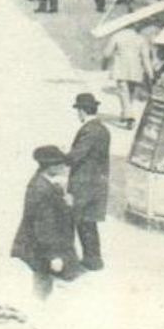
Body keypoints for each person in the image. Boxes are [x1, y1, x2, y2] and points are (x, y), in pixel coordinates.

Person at [11, 145, 80, 298]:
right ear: (50, 167)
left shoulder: (44, 184)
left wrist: (65, 202)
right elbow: (44, 226)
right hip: (42, 248)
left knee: (44, 281)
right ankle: (40, 311)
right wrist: (53, 255)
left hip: (41, 247)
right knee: (43, 282)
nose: (64, 167)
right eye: (60, 164)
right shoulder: (42, 189)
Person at [66, 93, 110, 271]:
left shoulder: (90, 130)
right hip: (95, 183)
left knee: (81, 222)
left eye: (78, 111)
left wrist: (61, 157)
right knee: (88, 223)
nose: (78, 114)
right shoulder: (101, 129)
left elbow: (77, 155)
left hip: (85, 184)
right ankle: (93, 259)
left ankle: (91, 259)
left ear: (83, 111)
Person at [103, 22, 156, 128]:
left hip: (120, 69)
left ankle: (129, 116)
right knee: (130, 93)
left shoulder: (117, 36)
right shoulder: (141, 39)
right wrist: (150, 73)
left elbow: (106, 53)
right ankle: (126, 113)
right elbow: (145, 58)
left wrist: (113, 56)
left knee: (123, 92)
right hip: (136, 70)